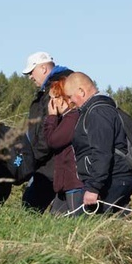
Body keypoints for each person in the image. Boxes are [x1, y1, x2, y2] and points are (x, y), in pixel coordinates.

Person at [64, 72, 132, 214]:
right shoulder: (98, 109)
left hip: (111, 181)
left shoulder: (98, 112)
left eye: (70, 96)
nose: (70, 101)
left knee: (92, 229)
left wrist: (93, 188)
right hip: (112, 180)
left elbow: (102, 152)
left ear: (81, 91)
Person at [21, 51, 73, 213]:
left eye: (31, 72)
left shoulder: (55, 90)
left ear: (43, 68)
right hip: (54, 163)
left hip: (51, 164)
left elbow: (47, 131)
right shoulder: (55, 88)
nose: (30, 76)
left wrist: (32, 158)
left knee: (30, 209)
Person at [43, 79, 84, 216]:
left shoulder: (72, 117)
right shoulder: (67, 118)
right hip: (66, 184)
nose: (50, 103)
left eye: (52, 98)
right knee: (54, 222)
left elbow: (52, 141)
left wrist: (51, 118)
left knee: (76, 222)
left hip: (74, 183)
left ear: (61, 99)